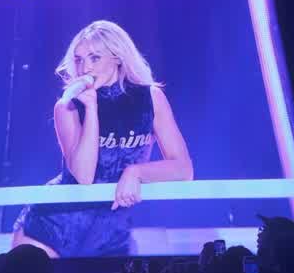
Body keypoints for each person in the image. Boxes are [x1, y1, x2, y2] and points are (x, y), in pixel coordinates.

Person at [12, 20, 193, 257]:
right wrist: (92, 108)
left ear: (117, 57)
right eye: (79, 60)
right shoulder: (68, 106)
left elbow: (184, 169)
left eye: (94, 58)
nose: (85, 68)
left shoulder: (151, 98)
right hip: (51, 228)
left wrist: (136, 172)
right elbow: (84, 176)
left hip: (110, 237)